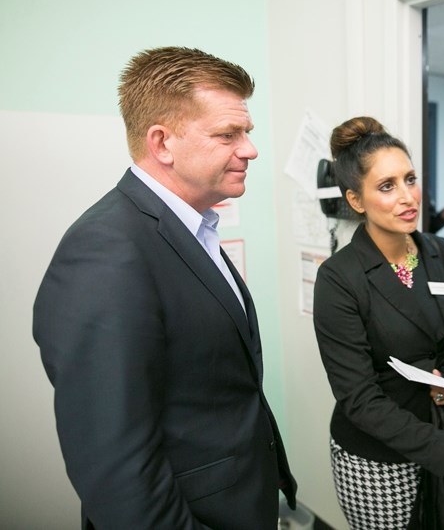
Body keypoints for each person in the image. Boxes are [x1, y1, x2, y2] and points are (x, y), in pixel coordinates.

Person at [33, 46, 296, 529]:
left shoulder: (193, 228)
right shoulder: (105, 251)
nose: (250, 149)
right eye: (227, 134)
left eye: (247, 133)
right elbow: (115, 465)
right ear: (162, 143)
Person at [313, 116, 444, 529]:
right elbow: (359, 399)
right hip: (379, 459)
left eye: (410, 179)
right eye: (387, 186)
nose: (408, 196)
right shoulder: (340, 277)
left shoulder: (437, 251)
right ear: (356, 200)